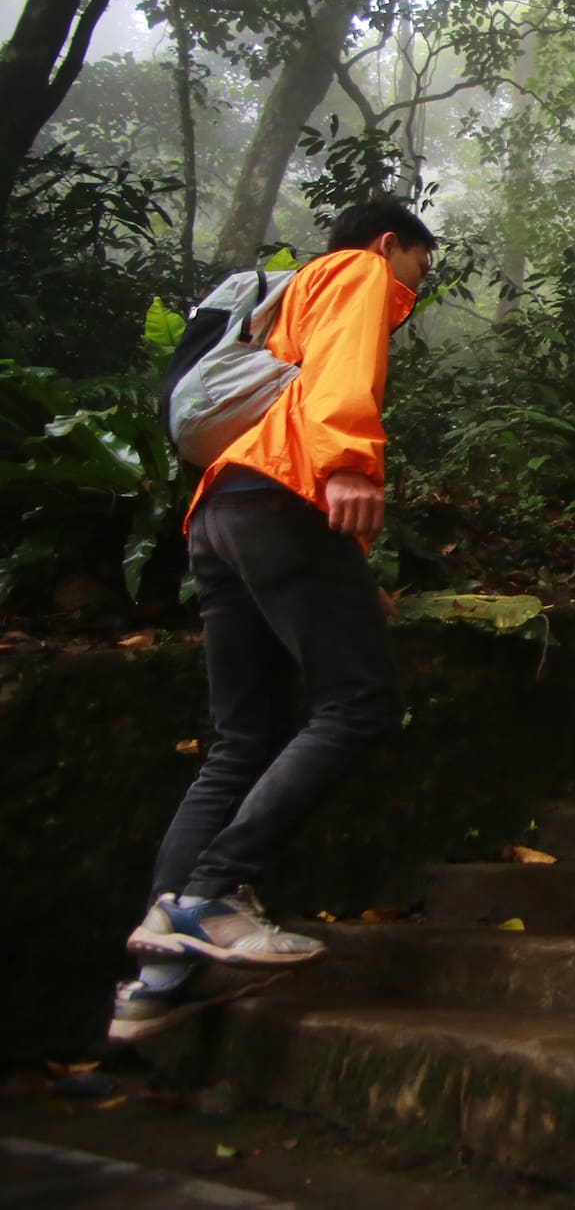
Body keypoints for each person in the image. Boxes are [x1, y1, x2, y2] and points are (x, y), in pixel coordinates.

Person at [112, 196, 435, 1043]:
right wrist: (350, 465)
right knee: (359, 704)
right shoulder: (355, 269)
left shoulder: (279, 305)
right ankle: (210, 896)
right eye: (420, 267)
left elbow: (284, 403)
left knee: (240, 740)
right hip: (285, 495)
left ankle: (157, 980)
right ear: (391, 242)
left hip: (220, 512)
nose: (415, 287)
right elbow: (335, 383)